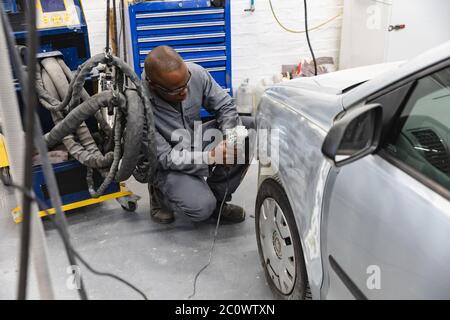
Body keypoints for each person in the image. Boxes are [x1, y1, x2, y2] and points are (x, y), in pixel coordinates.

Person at [142, 45, 255, 224]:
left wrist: (230, 141)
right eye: (175, 90)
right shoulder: (139, 106)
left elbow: (225, 106)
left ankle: (218, 200)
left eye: (185, 84)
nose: (185, 92)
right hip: (167, 162)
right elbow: (164, 157)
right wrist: (210, 157)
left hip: (194, 140)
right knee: (201, 208)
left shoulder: (196, 73)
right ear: (153, 85)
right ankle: (159, 192)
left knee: (248, 129)